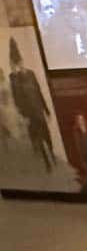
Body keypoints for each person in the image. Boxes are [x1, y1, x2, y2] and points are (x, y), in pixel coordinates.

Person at [9, 36, 55, 171]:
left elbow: (39, 92)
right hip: (28, 114)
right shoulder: (13, 78)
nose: (20, 65)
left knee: (46, 135)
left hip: (38, 110)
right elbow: (16, 97)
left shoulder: (31, 74)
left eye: (20, 62)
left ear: (23, 61)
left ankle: (51, 154)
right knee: (37, 138)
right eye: (16, 63)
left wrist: (46, 110)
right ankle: (47, 163)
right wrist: (22, 115)